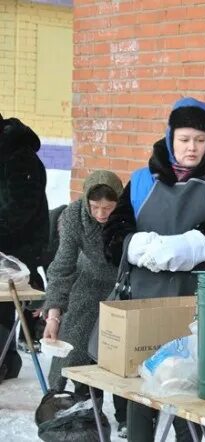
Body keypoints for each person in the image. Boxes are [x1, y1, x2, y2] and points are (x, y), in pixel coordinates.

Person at [103, 97, 205, 442]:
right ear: (170, 139)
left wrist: (187, 247)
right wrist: (136, 246)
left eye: (199, 139)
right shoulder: (139, 181)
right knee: (139, 388)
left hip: (194, 306)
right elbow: (114, 232)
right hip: (144, 302)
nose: (191, 148)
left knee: (187, 389)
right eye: (184, 140)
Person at [42, 170, 127, 437]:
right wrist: (54, 315)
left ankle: (127, 415)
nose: (101, 214)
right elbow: (63, 266)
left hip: (123, 284)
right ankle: (86, 410)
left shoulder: (130, 215)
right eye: (95, 207)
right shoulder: (73, 217)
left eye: (108, 208)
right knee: (76, 349)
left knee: (120, 354)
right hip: (88, 282)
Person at [0, 114, 49, 382]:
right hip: (7, 245)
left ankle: (6, 361)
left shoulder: (20, 157)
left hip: (20, 247)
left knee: (5, 303)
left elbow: (19, 209)